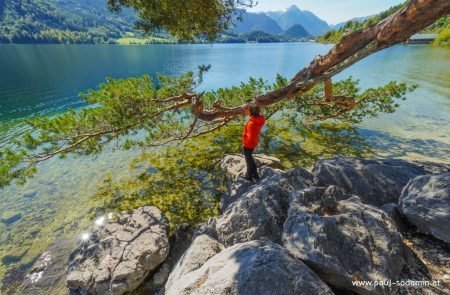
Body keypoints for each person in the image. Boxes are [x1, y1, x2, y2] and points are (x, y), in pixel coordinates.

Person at [242, 103, 266, 181]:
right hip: (254, 141)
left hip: (249, 144)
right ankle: (255, 174)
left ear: (251, 111)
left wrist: (245, 143)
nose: (245, 111)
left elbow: (250, 136)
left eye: (246, 110)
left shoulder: (251, 123)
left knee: (248, 160)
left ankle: (249, 176)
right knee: (250, 158)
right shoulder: (260, 118)